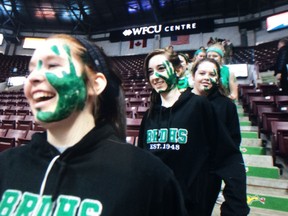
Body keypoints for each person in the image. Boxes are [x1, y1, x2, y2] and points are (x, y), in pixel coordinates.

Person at [0, 34, 188, 216]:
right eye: (31, 70)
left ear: (95, 84)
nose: (32, 78)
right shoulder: (5, 165)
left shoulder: (149, 176)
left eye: (53, 65)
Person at [138, 46, 217, 215]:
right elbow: (142, 161)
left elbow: (221, 155)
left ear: (179, 70)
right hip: (156, 204)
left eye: (160, 69)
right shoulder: (149, 115)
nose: (155, 77)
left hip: (190, 205)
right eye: (150, 72)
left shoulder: (199, 105)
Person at [191, 58, 250, 216]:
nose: (206, 77)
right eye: (202, 73)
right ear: (193, 76)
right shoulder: (183, 102)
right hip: (186, 172)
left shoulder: (226, 105)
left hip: (209, 174)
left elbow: (232, 142)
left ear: (217, 78)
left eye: (212, 74)